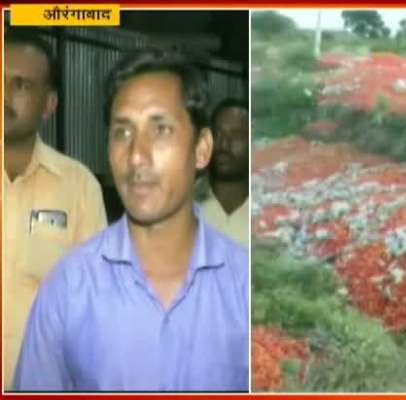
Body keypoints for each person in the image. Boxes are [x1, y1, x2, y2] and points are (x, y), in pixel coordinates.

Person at [13, 48, 249, 391]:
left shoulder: (245, 288)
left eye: (161, 129)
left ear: (202, 149)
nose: (136, 155)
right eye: (122, 133)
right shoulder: (68, 287)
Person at [3, 29, 107, 387]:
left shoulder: (79, 188)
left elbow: (94, 307)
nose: (4, 95)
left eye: (21, 85)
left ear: (49, 104)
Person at [195, 98, 249, 246]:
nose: (224, 144)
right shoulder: (182, 204)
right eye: (217, 134)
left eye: (236, 135)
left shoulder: (269, 209)